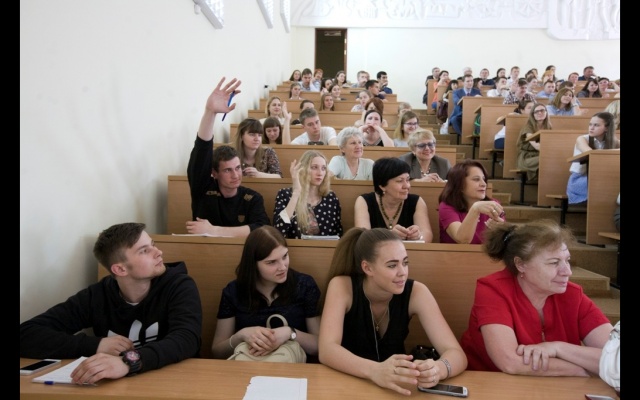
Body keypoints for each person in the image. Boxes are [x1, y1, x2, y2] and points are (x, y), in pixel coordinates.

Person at [19, 222, 203, 384]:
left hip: (172, 381)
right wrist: (95, 345)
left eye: (153, 245)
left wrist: (128, 362)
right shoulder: (97, 295)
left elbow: (187, 339)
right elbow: (26, 334)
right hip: (114, 387)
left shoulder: (178, 285)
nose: (158, 252)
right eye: (144, 251)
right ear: (120, 269)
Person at [318, 227, 467, 396]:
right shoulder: (342, 286)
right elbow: (327, 349)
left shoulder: (417, 292)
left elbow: (457, 354)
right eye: (392, 265)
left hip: (395, 390)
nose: (402, 272)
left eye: (405, 263)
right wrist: (375, 370)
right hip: (345, 385)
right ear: (367, 268)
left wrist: (438, 369)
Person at [460, 219, 614, 376]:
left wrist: (558, 348)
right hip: (490, 384)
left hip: (558, 386)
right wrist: (581, 370)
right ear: (521, 264)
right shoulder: (493, 290)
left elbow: (616, 357)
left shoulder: (573, 295)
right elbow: (510, 362)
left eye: (567, 260)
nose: (567, 271)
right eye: (554, 263)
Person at [210, 225, 321, 360]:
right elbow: (217, 352)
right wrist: (241, 335)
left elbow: (319, 346)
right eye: (271, 262)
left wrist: (290, 333)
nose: (283, 267)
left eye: (285, 256)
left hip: (292, 367)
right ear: (253, 264)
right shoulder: (233, 291)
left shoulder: (304, 285)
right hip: (249, 367)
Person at [187, 77, 270, 237]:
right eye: (227, 170)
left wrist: (214, 230)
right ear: (214, 173)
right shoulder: (203, 190)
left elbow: (262, 228)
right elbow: (202, 150)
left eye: (238, 168)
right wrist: (210, 112)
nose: (235, 175)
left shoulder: (252, 198)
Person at [354, 157, 432, 242]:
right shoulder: (364, 201)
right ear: (382, 186)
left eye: (407, 180)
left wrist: (419, 236)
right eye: (400, 181)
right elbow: (362, 237)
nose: (407, 186)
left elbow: (427, 235)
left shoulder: (416, 201)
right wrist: (390, 235)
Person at [273, 150, 343, 238]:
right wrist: (296, 192)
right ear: (302, 169)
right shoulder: (285, 195)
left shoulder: (331, 197)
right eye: (314, 167)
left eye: (323, 168)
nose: (320, 173)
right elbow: (279, 231)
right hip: (294, 246)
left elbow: (338, 234)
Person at [438, 159, 505, 244]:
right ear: (460, 184)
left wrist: (500, 231)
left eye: (484, 179)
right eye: (476, 179)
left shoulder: (493, 204)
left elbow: (503, 243)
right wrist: (475, 209)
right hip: (454, 252)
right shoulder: (446, 207)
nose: (483, 184)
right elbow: (463, 240)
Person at [566, 112, 620, 204]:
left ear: (607, 128)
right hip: (580, 179)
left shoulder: (613, 141)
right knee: (609, 182)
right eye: (590, 124)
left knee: (611, 180)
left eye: (596, 125)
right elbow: (591, 153)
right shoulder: (582, 139)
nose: (591, 128)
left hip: (601, 178)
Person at [516, 102, 553, 183]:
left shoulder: (549, 127)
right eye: (536, 112)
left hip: (540, 155)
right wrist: (552, 153)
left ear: (546, 112)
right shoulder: (528, 128)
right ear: (533, 115)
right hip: (526, 157)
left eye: (542, 110)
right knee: (548, 159)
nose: (540, 113)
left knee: (552, 159)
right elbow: (537, 146)